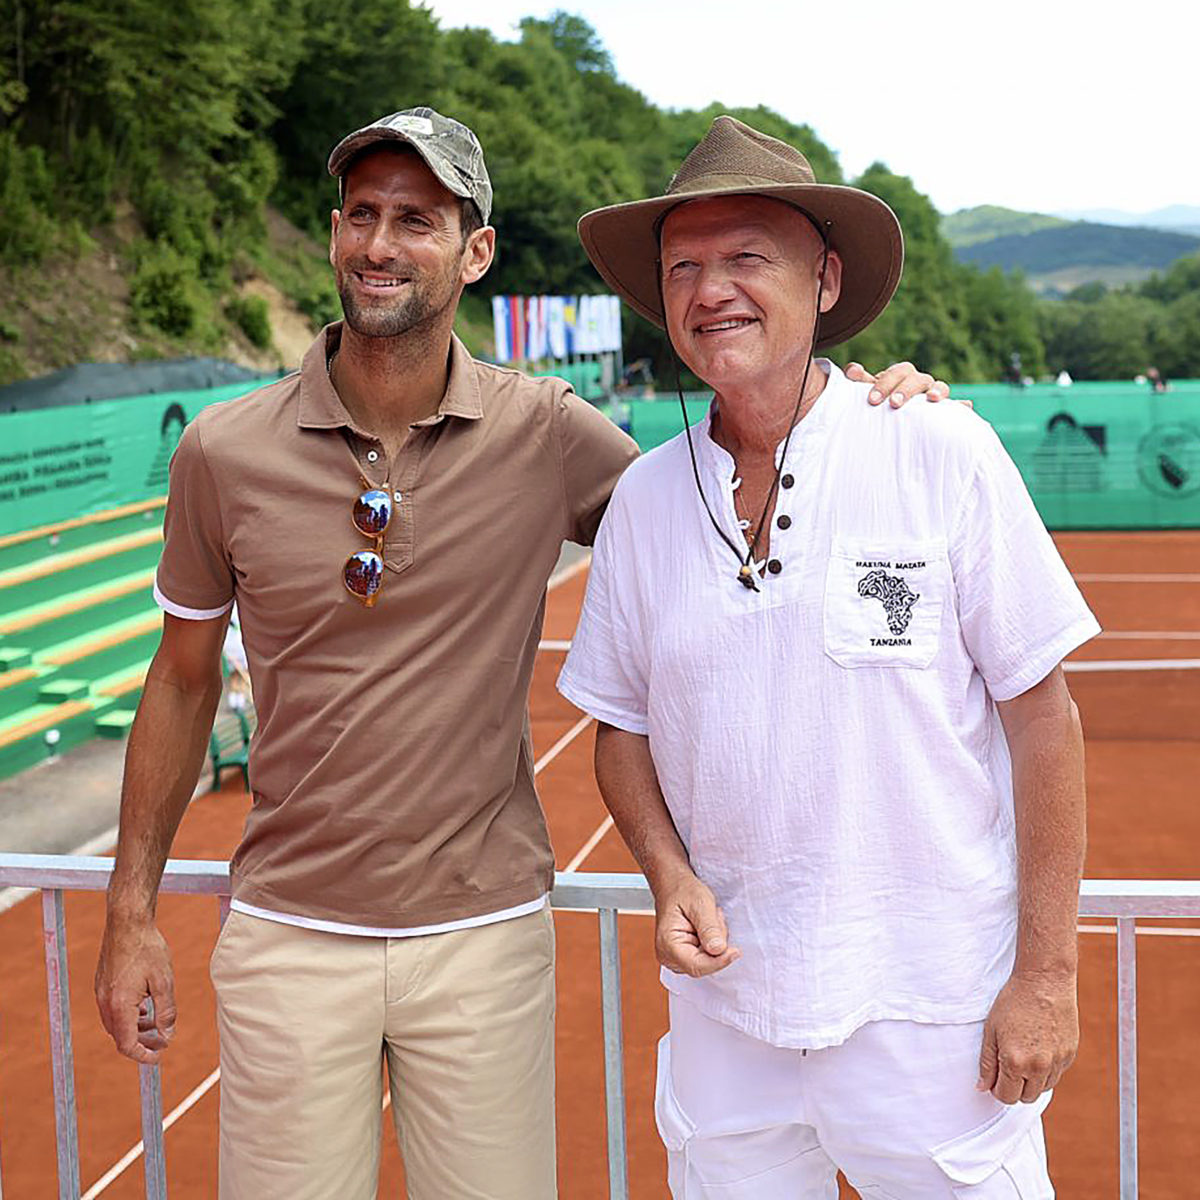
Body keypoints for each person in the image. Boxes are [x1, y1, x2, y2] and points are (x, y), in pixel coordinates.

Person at [93, 106, 953, 1199]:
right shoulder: (221, 452)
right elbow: (180, 683)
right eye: (362, 214)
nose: (380, 244)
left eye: (418, 219)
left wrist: (852, 405)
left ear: (476, 252)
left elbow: (712, 498)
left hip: (486, 941)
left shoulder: (545, 430)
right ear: (334, 233)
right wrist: (130, 915)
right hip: (288, 936)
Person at [559, 115, 1099, 1199]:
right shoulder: (645, 500)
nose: (711, 289)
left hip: (933, 1017)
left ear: (825, 279)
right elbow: (621, 730)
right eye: (683, 267)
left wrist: (1046, 973)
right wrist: (667, 874)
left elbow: (1044, 716)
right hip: (725, 1022)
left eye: (747, 257)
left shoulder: (940, 447)